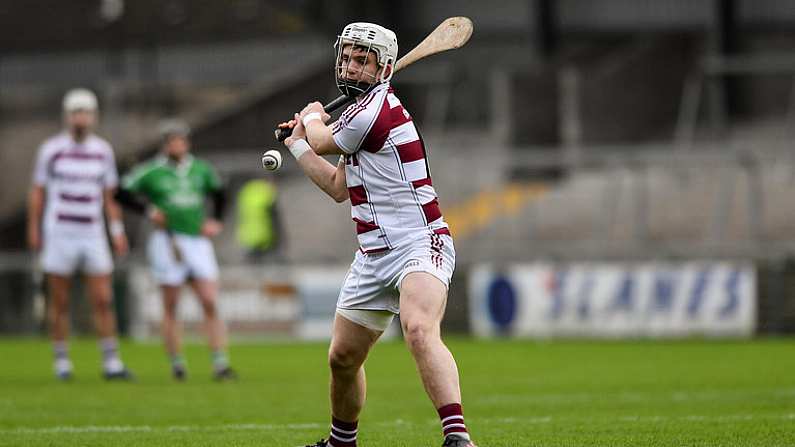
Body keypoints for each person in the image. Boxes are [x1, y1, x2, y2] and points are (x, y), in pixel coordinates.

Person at [277, 22, 477, 447]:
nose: (350, 66)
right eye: (347, 57)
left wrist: (311, 119)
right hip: (372, 255)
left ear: (384, 68)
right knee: (342, 358)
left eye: (362, 60)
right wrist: (298, 145)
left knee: (419, 329)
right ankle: (341, 441)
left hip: (420, 243)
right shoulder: (357, 115)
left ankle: (458, 437)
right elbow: (335, 187)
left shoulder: (374, 112)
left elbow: (325, 139)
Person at [117, 119, 237, 381]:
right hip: (167, 242)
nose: (177, 144)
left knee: (209, 300)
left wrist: (215, 221)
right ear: (165, 144)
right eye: (172, 140)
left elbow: (220, 193)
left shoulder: (200, 169)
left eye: (181, 140)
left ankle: (220, 362)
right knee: (171, 304)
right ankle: (177, 363)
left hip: (196, 241)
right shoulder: (152, 171)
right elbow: (121, 192)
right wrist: (149, 211)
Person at [28, 88, 133, 381]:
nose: (81, 118)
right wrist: (34, 228)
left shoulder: (102, 150)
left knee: (102, 298)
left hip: (92, 233)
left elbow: (109, 194)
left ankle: (111, 362)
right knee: (59, 300)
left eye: (86, 112)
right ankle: (62, 362)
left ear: (94, 116)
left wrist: (117, 231)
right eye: (76, 113)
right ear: (67, 116)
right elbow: (38, 191)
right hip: (60, 232)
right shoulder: (51, 149)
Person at [236, 178, 284, 262]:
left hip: (247, 236)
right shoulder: (267, 195)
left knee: (252, 264)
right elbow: (274, 217)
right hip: (265, 236)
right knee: (266, 264)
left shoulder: (246, 192)